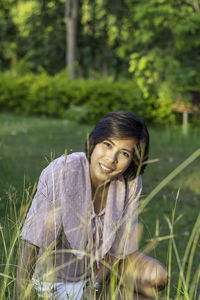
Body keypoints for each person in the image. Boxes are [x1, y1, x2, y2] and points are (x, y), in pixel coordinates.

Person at [16, 111, 168, 300]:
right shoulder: (63, 171)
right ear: (93, 142)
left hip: (99, 274)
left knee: (158, 277)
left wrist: (93, 286)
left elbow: (119, 248)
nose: (111, 159)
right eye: (107, 145)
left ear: (132, 160)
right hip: (57, 280)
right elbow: (31, 243)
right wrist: (20, 295)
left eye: (124, 153)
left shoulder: (130, 182)